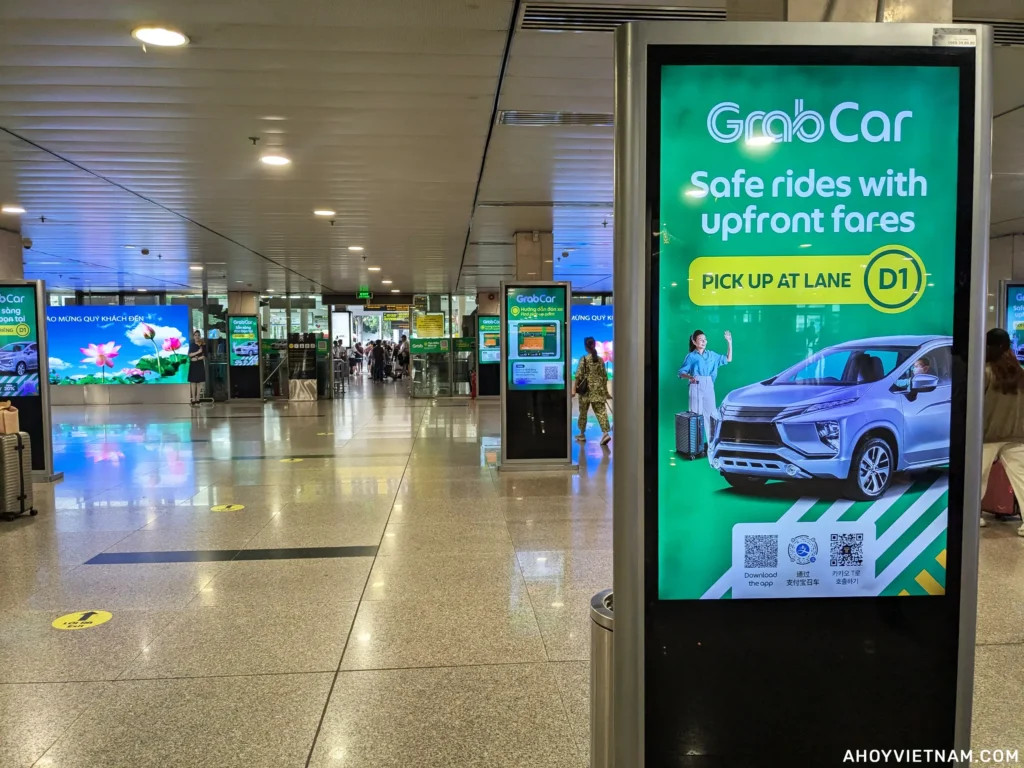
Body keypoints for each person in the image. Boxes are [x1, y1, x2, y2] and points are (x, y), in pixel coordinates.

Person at [980, 328, 1024, 535]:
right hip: (1016, 433)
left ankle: (973, 517)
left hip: (988, 434)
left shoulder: (985, 372)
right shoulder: (1020, 372)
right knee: (1021, 480)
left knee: (978, 478)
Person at [677, 329, 733, 447]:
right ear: (694, 341)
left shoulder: (711, 355)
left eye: (705, 339)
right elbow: (681, 372)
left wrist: (729, 342)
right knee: (695, 415)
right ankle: (695, 446)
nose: (704, 342)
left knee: (711, 414)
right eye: (700, 340)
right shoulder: (691, 356)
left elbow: (728, 358)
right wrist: (690, 377)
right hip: (696, 382)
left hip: (709, 383)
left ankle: (711, 444)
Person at [575, 336, 611, 445]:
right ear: (594, 345)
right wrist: (606, 393)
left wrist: (573, 390)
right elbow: (604, 377)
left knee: (583, 413)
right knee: (601, 412)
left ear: (586, 347)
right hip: (598, 390)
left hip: (586, 391)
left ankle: (581, 434)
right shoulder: (600, 360)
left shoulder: (584, 359)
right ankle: (605, 434)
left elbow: (578, 376)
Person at [187, 330, 207, 405]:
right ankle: (193, 399)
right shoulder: (192, 345)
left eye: (198, 335)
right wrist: (198, 352)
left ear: (200, 336)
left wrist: (197, 358)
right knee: (193, 382)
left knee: (199, 382)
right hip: (193, 365)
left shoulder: (203, 345)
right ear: (193, 336)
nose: (197, 337)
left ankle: (198, 398)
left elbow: (205, 356)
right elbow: (189, 355)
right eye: (195, 335)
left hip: (199, 364)